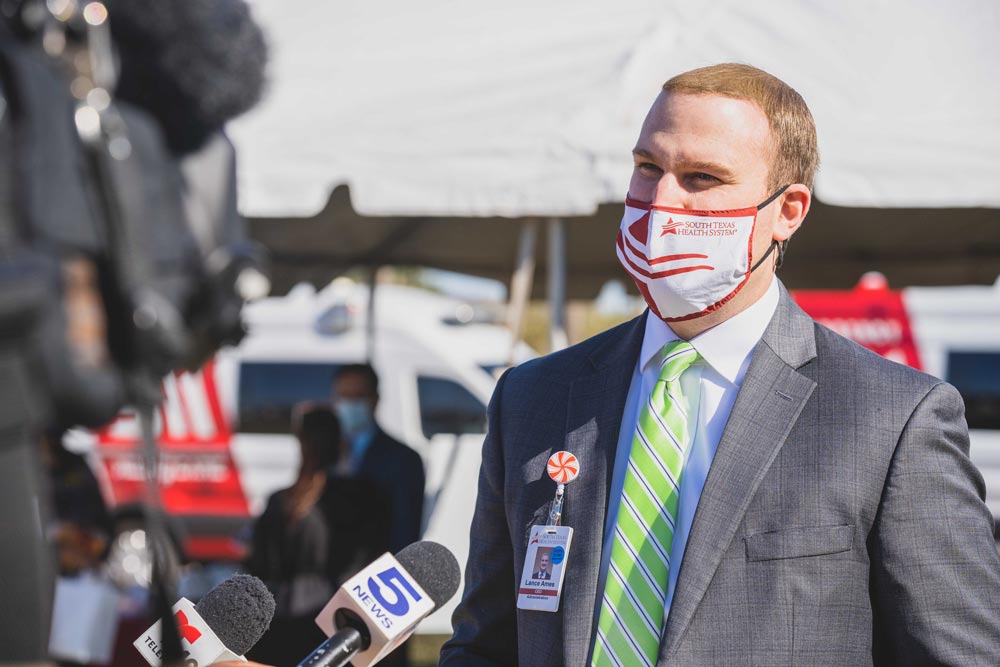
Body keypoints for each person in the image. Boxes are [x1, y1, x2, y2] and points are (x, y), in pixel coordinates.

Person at [440, 63, 1000, 666]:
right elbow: (487, 644)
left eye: (702, 177)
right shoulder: (533, 397)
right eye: (648, 167)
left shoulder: (892, 418)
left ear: (788, 210)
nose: (661, 202)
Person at [245, 404, 389, 665]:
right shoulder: (363, 498)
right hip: (333, 624)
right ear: (342, 443)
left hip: (276, 623)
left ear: (301, 444)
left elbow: (258, 566)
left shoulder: (281, 501)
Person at [331, 364, 425, 554]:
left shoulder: (403, 459)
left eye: (357, 397)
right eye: (343, 396)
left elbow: (405, 531)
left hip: (375, 572)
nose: (348, 405)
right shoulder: (326, 452)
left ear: (375, 399)